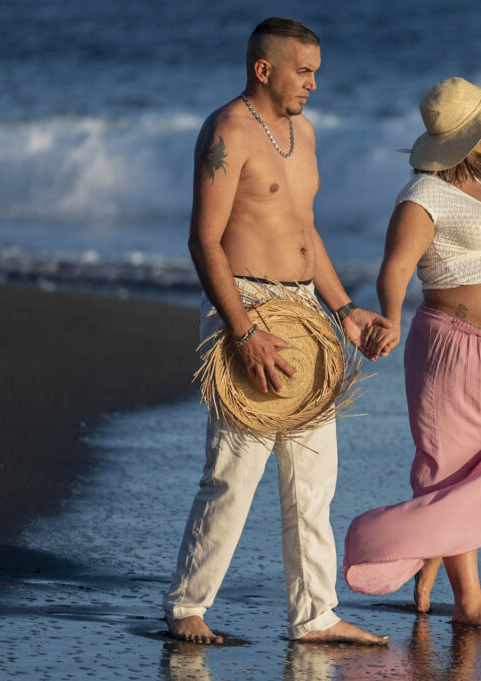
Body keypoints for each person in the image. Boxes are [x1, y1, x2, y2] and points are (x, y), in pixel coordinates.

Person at [162, 17, 390, 645]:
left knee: (314, 476)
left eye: (316, 70)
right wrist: (241, 332)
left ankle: (315, 615)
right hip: (247, 307)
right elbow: (203, 239)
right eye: (304, 70)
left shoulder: (304, 133)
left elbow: (303, 229)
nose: (314, 83)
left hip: (306, 308)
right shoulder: (228, 132)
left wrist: (346, 309)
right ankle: (188, 606)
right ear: (264, 69)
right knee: (236, 470)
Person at [343, 77, 481, 631]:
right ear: (472, 135)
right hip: (457, 352)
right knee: (454, 473)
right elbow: (397, 267)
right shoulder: (422, 195)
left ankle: (433, 555)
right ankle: (469, 603)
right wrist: (389, 316)